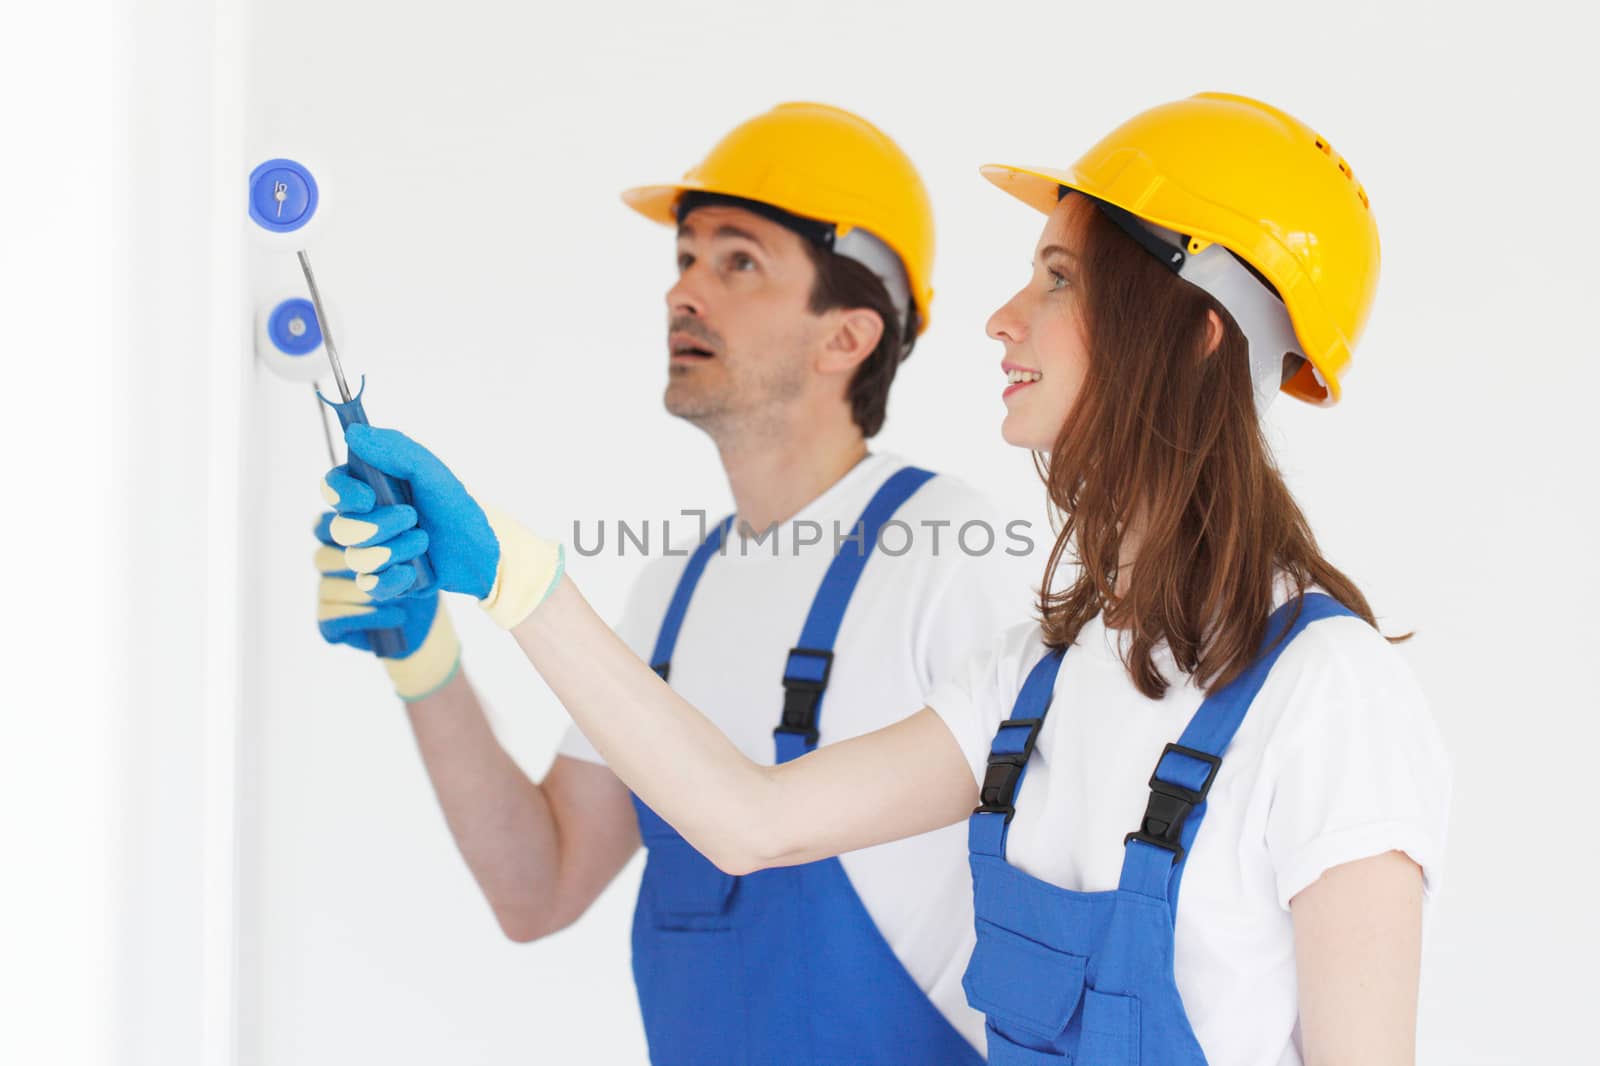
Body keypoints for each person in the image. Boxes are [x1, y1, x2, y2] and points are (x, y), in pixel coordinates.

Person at [322, 93, 1451, 1065]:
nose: (1002, 317)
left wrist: (519, 579)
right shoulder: (1040, 678)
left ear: (1197, 333)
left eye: (1056, 277)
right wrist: (498, 589)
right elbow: (746, 819)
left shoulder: (1326, 699)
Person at [314, 101, 1028, 1064]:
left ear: (848, 337)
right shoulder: (674, 593)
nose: (684, 292)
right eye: (685, 258)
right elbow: (539, 886)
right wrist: (422, 657)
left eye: (738, 261)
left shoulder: (958, 553)